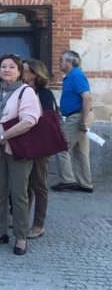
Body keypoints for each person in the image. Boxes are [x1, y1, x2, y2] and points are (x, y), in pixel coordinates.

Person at [0, 53, 41, 256]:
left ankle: (21, 237)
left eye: (11, 67)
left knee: (19, 193)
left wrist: (2, 137)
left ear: (19, 71)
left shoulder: (27, 92)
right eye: (3, 66)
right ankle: (0, 231)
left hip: (17, 150)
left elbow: (29, 120)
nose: (7, 70)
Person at [52, 50, 94, 193]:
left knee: (61, 146)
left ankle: (67, 180)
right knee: (80, 151)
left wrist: (84, 120)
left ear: (69, 62)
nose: (59, 62)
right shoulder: (72, 76)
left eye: (61, 60)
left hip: (78, 117)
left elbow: (87, 98)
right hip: (78, 116)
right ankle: (85, 183)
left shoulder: (75, 75)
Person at [22, 59, 54, 239]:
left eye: (25, 71)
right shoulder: (23, 91)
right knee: (25, 184)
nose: (21, 73)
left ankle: (39, 224)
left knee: (39, 184)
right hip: (25, 143)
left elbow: (46, 120)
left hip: (41, 145)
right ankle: (22, 219)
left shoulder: (44, 93)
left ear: (34, 74)